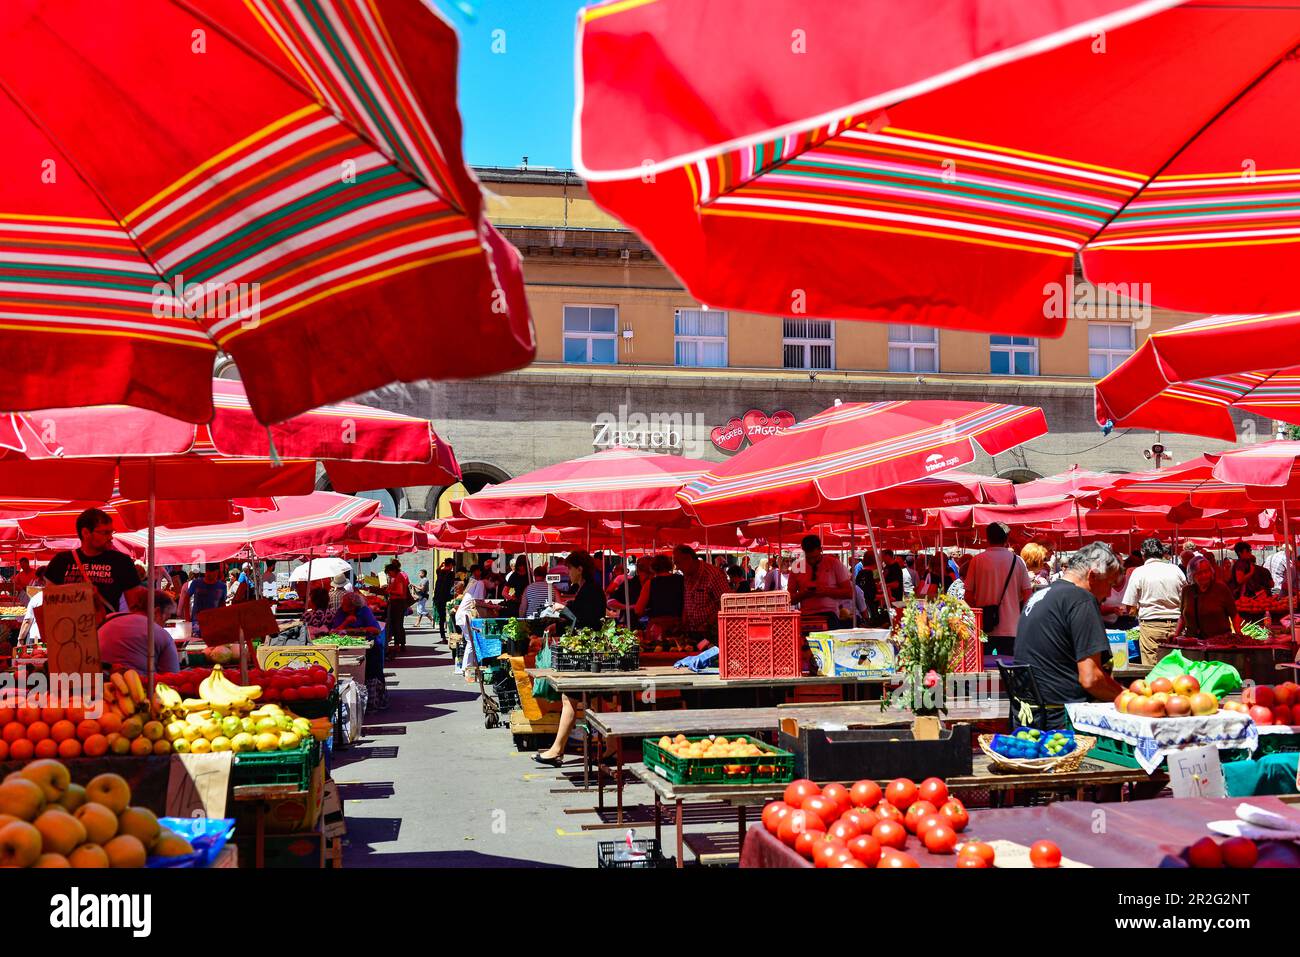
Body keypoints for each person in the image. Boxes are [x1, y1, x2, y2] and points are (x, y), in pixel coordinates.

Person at [1015, 542, 1127, 729]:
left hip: (1028, 714)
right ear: (1093, 575)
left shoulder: (1041, 595)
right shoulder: (1081, 599)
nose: (1109, 593)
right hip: (1061, 718)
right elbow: (1091, 679)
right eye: (1109, 584)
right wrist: (1129, 697)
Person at [534, 551, 607, 767]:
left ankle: (557, 750)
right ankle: (610, 746)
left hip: (588, 652)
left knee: (571, 698)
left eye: (569, 568)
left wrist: (563, 609)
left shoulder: (591, 590)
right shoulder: (587, 589)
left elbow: (586, 620)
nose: (568, 573)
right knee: (593, 700)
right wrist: (559, 623)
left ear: (580, 569)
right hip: (587, 650)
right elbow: (581, 617)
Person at [45, 508, 142, 621]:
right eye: (105, 532)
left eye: (111, 532)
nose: (111, 537)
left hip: (107, 633)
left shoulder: (122, 562)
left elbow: (136, 607)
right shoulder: (61, 561)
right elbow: (50, 605)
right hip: (69, 632)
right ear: (86, 533)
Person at [964, 523, 1032, 657]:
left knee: (984, 670)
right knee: (1010, 670)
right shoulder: (1017, 561)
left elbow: (968, 595)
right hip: (1012, 626)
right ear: (1007, 539)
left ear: (987, 538)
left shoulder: (977, 561)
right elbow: (1027, 593)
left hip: (985, 626)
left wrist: (979, 615)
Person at [1121, 537, 1187, 665]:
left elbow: (1130, 606)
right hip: (1177, 626)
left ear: (1143, 553)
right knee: (1177, 667)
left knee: (1152, 670)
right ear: (1161, 552)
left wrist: (1137, 610)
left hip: (1151, 627)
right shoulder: (1176, 570)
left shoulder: (1139, 572)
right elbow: (1187, 598)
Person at [98, 587, 181, 675]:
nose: (164, 625)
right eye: (165, 619)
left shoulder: (107, 619)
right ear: (156, 612)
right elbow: (172, 676)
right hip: (138, 686)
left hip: (95, 682)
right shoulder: (161, 634)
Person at [789, 534, 852, 630]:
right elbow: (790, 599)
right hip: (806, 616)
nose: (812, 560)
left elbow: (849, 593)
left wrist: (825, 591)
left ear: (820, 549)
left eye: (815, 557)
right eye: (809, 557)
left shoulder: (833, 563)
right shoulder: (797, 566)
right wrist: (804, 594)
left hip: (829, 615)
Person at [674, 545, 729, 645]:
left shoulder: (713, 575)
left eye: (678, 563)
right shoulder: (687, 576)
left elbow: (726, 605)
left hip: (713, 635)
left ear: (688, 559)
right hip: (694, 634)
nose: (677, 567)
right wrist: (683, 622)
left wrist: (707, 624)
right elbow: (688, 601)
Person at [1177, 555, 1241, 640]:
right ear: (1191, 575)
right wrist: (1176, 634)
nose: (1204, 575)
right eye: (1199, 573)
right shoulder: (1187, 591)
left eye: (1206, 571)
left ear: (1211, 572)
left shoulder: (1221, 588)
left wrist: (1239, 635)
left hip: (1219, 642)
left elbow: (1234, 615)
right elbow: (1182, 617)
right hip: (1193, 643)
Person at [634, 554, 685, 635]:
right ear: (670, 565)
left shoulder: (650, 583)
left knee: (657, 647)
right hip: (679, 625)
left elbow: (638, 610)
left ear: (652, 567)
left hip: (657, 627)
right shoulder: (682, 580)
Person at [179, 564, 226, 637]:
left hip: (214, 623)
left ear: (217, 572)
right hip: (197, 622)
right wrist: (188, 618)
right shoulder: (196, 583)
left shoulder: (222, 586)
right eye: (207, 571)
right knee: (197, 644)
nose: (209, 573)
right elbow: (186, 598)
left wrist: (222, 621)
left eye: (211, 571)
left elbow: (222, 605)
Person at [384, 560, 412, 653]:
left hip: (398, 602)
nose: (389, 575)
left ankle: (398, 644)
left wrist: (389, 591)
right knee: (398, 624)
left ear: (392, 570)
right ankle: (400, 644)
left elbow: (400, 592)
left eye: (389, 573)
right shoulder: (397, 576)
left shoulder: (399, 577)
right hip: (397, 602)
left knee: (397, 624)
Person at [433, 559, 455, 640]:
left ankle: (443, 636)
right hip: (447, 597)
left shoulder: (440, 572)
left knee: (442, 617)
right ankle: (452, 633)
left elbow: (437, 569)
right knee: (452, 615)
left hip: (438, 598)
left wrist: (441, 565)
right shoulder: (451, 573)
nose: (452, 568)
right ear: (450, 565)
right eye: (452, 566)